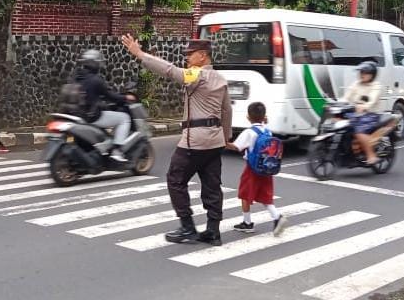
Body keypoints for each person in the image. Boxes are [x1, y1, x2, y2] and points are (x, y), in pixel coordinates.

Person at [121, 35, 232, 246]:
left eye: (190, 54)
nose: (187, 58)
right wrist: (225, 137)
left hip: (195, 142)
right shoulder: (220, 78)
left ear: (203, 56)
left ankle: (187, 227)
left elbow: (170, 70)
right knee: (212, 186)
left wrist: (140, 54)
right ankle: (213, 231)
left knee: (175, 179)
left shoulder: (197, 75)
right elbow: (227, 111)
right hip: (215, 142)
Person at [226, 102, 287, 236]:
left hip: (252, 169)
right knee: (265, 195)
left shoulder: (249, 132)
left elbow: (237, 147)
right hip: (267, 168)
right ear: (264, 116)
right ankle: (277, 217)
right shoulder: (267, 131)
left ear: (248, 117)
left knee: (245, 194)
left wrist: (223, 143)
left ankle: (247, 223)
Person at [73, 49, 132, 162]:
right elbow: (110, 96)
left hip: (78, 115)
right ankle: (117, 151)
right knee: (124, 118)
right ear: (95, 64)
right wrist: (125, 97)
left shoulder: (77, 77)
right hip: (92, 116)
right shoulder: (96, 80)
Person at [343, 61, 383, 166]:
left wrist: (364, 107)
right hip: (356, 113)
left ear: (372, 75)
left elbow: (372, 99)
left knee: (359, 131)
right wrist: (337, 103)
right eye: (361, 72)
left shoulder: (376, 85)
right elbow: (346, 97)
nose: (362, 75)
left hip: (371, 115)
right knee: (339, 124)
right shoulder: (356, 84)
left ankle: (371, 155)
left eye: (365, 73)